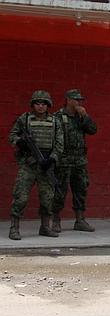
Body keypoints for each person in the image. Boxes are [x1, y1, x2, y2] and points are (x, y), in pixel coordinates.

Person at [8, 90, 63, 240]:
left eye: (44, 103)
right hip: (28, 165)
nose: (40, 106)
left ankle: (45, 227)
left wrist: (51, 159)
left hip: (46, 165)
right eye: (37, 103)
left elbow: (59, 143)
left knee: (47, 198)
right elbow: (12, 135)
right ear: (33, 105)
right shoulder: (25, 119)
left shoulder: (55, 121)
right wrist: (20, 142)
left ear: (48, 105)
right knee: (21, 197)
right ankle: (14, 228)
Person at [52, 89, 97, 233]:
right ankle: (56, 220)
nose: (79, 103)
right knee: (60, 190)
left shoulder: (81, 116)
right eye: (76, 100)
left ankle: (80, 220)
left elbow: (93, 130)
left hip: (79, 160)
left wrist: (85, 116)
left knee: (81, 189)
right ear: (68, 100)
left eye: (80, 100)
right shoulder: (57, 116)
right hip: (63, 160)